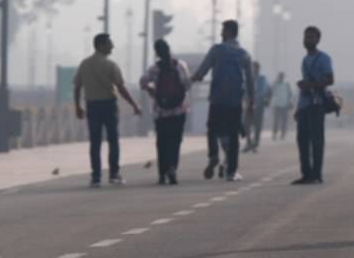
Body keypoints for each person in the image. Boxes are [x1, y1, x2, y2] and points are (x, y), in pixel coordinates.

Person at [72, 33, 142, 187]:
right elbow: (121, 88)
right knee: (113, 140)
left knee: (95, 142)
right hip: (108, 105)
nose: (112, 46)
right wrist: (134, 105)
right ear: (100, 45)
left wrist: (77, 106)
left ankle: (96, 177)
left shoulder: (85, 64)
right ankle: (113, 174)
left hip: (92, 106)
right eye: (109, 43)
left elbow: (77, 87)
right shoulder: (111, 65)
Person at [191, 20, 255, 182]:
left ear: (228, 32)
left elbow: (202, 71)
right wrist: (251, 100)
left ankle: (213, 155)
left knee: (212, 129)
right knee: (233, 135)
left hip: (217, 98)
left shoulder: (217, 50)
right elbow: (250, 80)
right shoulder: (244, 54)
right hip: (235, 100)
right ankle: (231, 172)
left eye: (222, 30)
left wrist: (189, 81)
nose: (220, 33)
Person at [139, 39, 192, 184]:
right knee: (175, 141)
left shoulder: (154, 69)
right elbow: (187, 85)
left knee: (162, 142)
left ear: (157, 53)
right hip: (179, 110)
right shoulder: (180, 65)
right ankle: (172, 168)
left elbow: (142, 82)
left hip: (160, 112)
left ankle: (162, 174)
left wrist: (152, 90)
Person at [293, 25, 334, 184]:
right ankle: (306, 174)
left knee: (316, 141)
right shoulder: (305, 60)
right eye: (306, 37)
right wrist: (298, 107)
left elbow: (330, 79)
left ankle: (316, 174)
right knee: (302, 140)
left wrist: (311, 85)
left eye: (311, 37)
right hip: (304, 105)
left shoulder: (324, 58)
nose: (307, 40)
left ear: (318, 40)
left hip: (317, 105)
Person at [247, 61, 272, 152]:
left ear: (258, 69)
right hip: (248, 104)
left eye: (256, 68)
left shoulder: (262, 79)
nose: (254, 70)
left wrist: (267, 99)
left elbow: (269, 90)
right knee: (247, 125)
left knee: (257, 125)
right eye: (253, 68)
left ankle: (255, 143)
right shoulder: (247, 78)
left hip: (259, 105)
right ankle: (249, 143)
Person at [271, 71, 293, 140]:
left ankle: (283, 134)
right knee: (276, 121)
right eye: (280, 76)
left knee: (284, 121)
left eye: (282, 76)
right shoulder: (274, 84)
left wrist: (290, 102)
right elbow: (271, 92)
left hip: (284, 105)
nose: (281, 78)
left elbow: (290, 94)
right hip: (276, 105)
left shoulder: (286, 84)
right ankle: (274, 134)